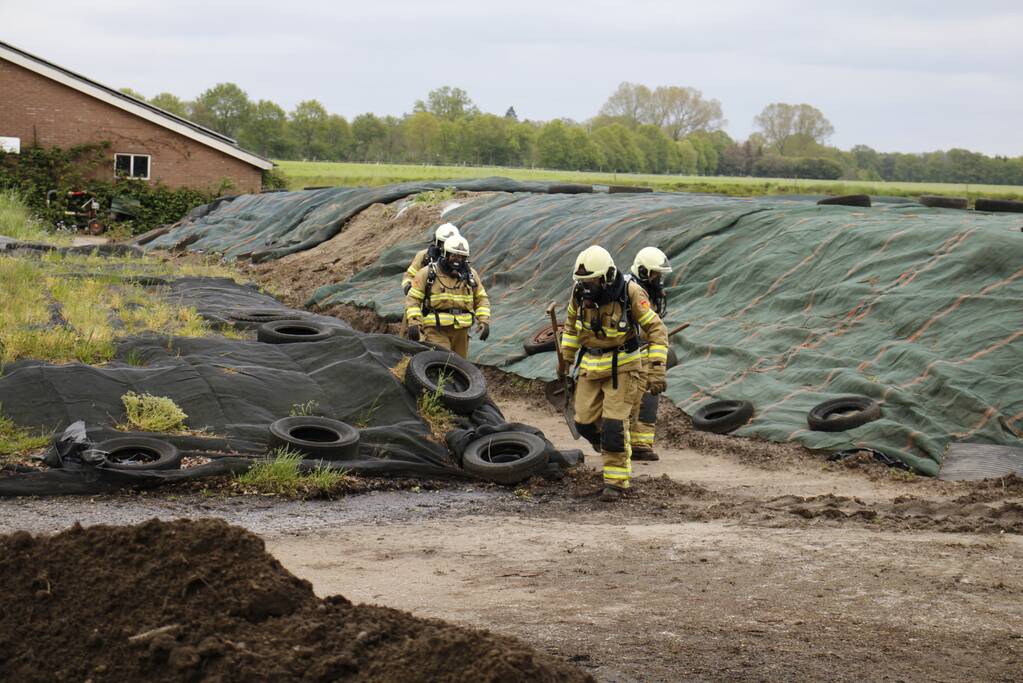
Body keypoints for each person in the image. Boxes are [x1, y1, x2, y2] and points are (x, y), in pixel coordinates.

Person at [560, 245, 668, 502]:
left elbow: (657, 330)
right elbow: (571, 327)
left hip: (624, 368)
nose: (586, 286)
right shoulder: (578, 294)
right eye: (583, 281)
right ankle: (611, 446)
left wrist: (656, 371)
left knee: (613, 426)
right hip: (590, 367)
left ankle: (616, 482)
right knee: (583, 422)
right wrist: (566, 359)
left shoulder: (630, 293)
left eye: (591, 281)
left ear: (606, 276)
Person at [404, 234, 491, 358]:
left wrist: (484, 321)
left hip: (462, 331)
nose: (457, 259)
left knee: (460, 366)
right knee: (443, 360)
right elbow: (413, 299)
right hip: (436, 330)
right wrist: (414, 323)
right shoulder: (427, 273)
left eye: (461, 256)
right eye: (454, 255)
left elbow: (481, 299)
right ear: (445, 254)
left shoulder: (471, 275)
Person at [626, 247, 673, 461]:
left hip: (640, 348)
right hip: (626, 353)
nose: (659, 280)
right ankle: (618, 442)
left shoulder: (642, 288)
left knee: (649, 392)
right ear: (644, 272)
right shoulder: (633, 290)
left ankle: (639, 444)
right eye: (656, 274)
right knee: (634, 395)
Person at [402, 223, 461, 295]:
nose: (447, 246)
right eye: (443, 243)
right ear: (437, 242)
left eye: (451, 243)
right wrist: (408, 287)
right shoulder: (425, 256)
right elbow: (410, 276)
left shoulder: (460, 259)